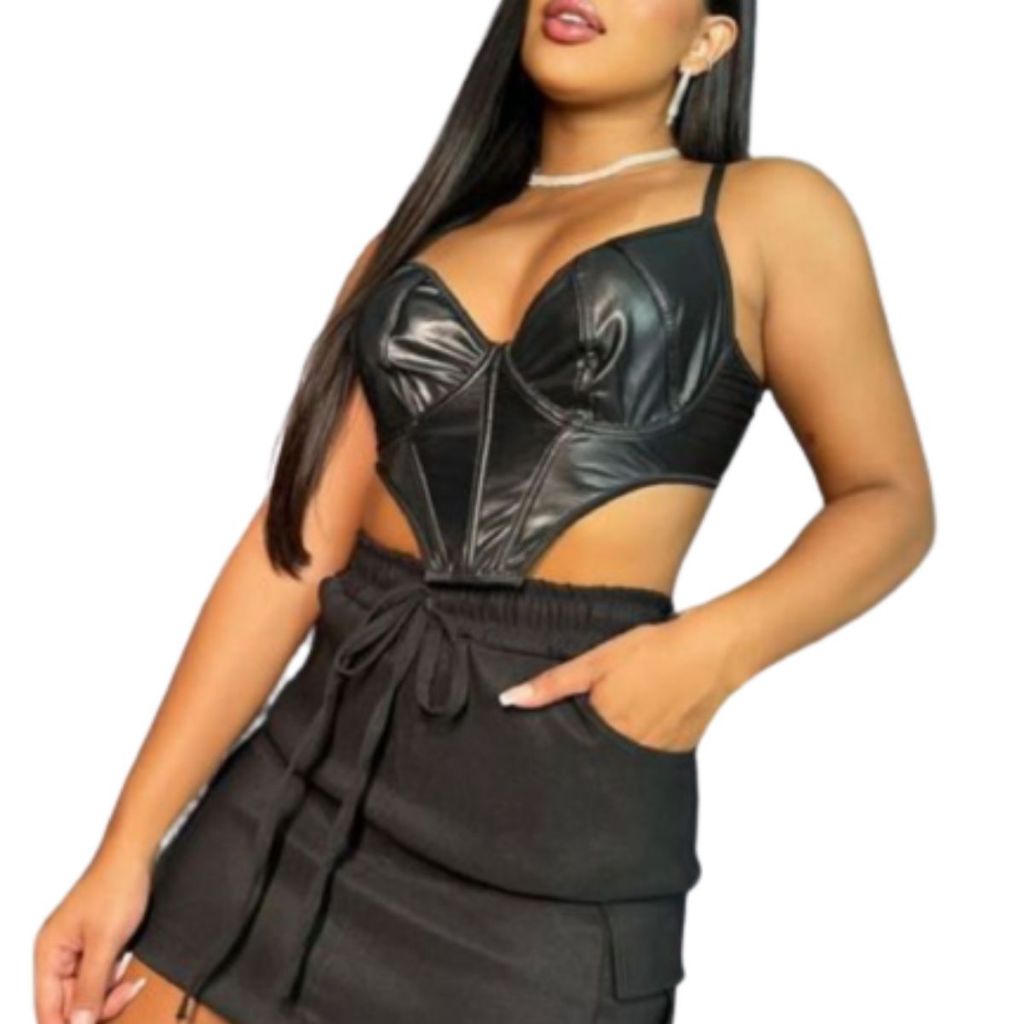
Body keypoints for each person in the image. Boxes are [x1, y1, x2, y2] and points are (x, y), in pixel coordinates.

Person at [33, 1, 935, 1022]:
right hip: (296, 799)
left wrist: (707, 655)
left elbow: (889, 499)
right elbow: (293, 553)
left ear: (708, 40)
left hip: (555, 840)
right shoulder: (413, 241)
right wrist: (123, 849)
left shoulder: (770, 212)